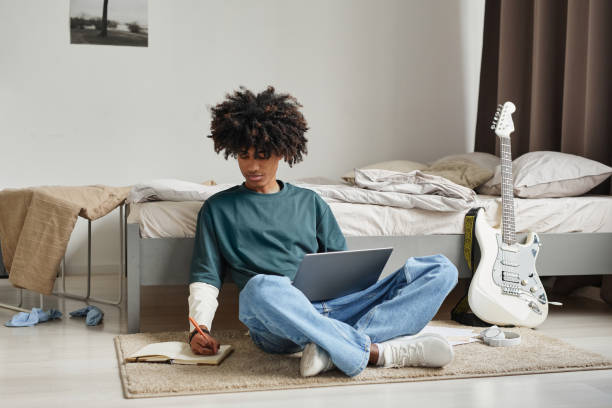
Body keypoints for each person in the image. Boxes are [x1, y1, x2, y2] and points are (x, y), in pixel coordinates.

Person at [188, 86, 458, 377]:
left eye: (263, 155)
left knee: (442, 269)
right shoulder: (217, 209)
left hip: (338, 307)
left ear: (281, 151)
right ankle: (378, 352)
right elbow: (206, 277)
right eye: (244, 155)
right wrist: (197, 329)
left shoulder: (310, 202)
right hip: (277, 322)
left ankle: (328, 348)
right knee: (259, 287)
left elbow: (342, 269)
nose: (252, 165)